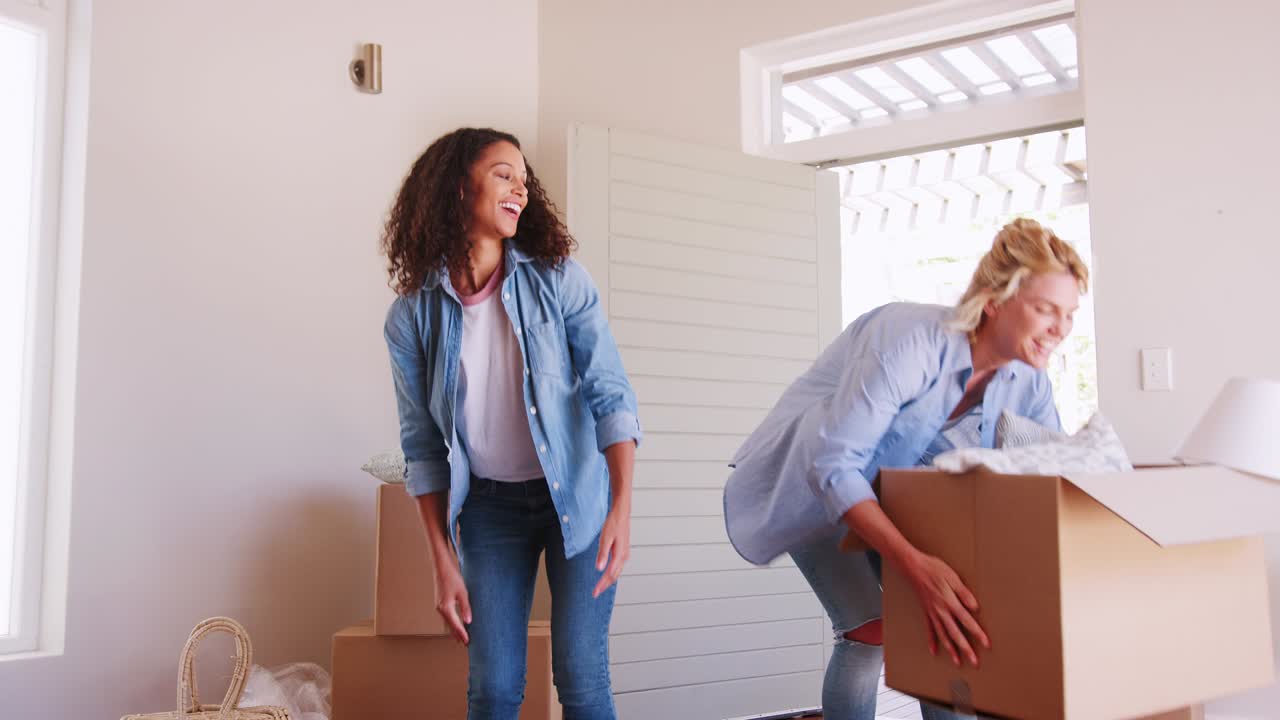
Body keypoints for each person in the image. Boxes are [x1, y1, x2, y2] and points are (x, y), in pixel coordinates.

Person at [724, 219, 1088, 720]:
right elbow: (834, 467)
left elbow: (1048, 480)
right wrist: (914, 565)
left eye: (1069, 314)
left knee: (941, 632)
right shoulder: (911, 342)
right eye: (1046, 309)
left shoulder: (1030, 384)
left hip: (892, 489)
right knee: (868, 630)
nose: (1061, 329)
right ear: (994, 299)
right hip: (818, 483)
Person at [381, 127, 642, 720]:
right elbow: (421, 446)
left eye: (525, 180)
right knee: (494, 689)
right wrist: (441, 558)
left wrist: (621, 507)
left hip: (577, 495)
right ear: (456, 188)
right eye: (504, 174)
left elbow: (610, 391)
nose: (520, 190)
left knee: (581, 677)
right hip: (489, 511)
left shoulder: (560, 280)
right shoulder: (410, 317)